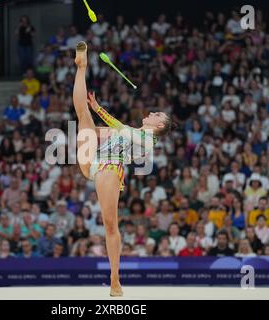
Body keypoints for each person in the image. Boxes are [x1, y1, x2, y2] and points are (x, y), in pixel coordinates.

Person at [72, 42, 172, 296]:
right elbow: (115, 130)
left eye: (157, 114)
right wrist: (95, 117)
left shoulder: (150, 139)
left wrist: (100, 110)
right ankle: (81, 66)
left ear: (160, 126)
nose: (152, 112)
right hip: (92, 156)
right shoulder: (137, 133)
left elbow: (120, 128)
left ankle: (114, 278)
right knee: (82, 113)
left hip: (109, 167)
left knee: (110, 224)